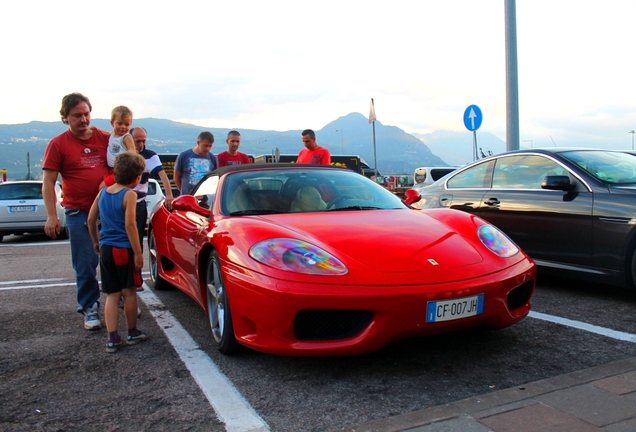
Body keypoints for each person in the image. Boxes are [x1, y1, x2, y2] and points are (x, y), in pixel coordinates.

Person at [43, 93, 110, 331]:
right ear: (65, 118)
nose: (83, 119)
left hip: (108, 210)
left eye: (86, 114)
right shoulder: (58, 144)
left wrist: (109, 180)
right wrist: (52, 215)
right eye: (77, 116)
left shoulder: (105, 138)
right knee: (85, 264)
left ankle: (120, 299)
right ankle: (89, 307)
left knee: (116, 258)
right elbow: (48, 182)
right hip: (78, 211)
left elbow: (121, 166)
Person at [87, 152, 149, 353]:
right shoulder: (130, 195)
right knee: (129, 292)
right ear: (137, 178)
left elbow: (90, 220)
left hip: (105, 249)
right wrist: (138, 253)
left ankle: (112, 338)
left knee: (111, 294)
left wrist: (96, 241)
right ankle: (132, 332)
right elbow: (130, 225)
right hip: (123, 249)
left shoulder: (103, 192)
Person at [173, 131, 218, 196]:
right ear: (198, 142)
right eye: (205, 145)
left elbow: (214, 179)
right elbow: (176, 177)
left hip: (206, 198)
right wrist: (183, 191)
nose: (208, 148)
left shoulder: (213, 158)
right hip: (188, 196)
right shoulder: (184, 156)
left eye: (210, 146)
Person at [103, 106, 136, 187]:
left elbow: (133, 154)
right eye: (120, 123)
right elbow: (106, 133)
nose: (123, 127)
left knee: (102, 187)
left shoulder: (126, 137)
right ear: (112, 123)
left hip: (120, 171)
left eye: (126, 124)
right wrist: (96, 129)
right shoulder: (113, 134)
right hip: (111, 170)